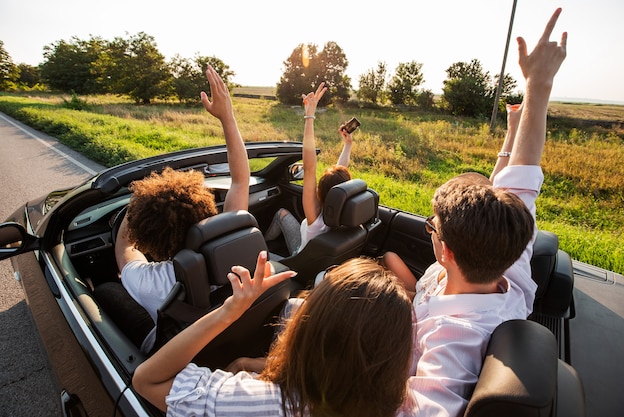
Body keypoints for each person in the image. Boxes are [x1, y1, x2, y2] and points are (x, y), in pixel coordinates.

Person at [381, 8, 567, 416]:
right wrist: (536, 89)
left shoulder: (452, 341)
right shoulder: (510, 266)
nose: (429, 229)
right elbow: (521, 178)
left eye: (432, 225)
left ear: (445, 251)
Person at [132, 254, 417, 417]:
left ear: (312, 336)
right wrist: (250, 363)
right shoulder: (403, 402)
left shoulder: (262, 401)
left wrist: (229, 312)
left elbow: (147, 380)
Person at [114, 65, 250, 354]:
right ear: (207, 211)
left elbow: (125, 248)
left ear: (148, 238)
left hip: (177, 350)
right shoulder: (239, 252)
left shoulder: (150, 281)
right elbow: (240, 180)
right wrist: (227, 116)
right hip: (233, 342)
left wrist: (133, 205)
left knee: (106, 292)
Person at [264, 82, 354, 256]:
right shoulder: (347, 214)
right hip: (321, 260)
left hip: (299, 259)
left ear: (321, 192)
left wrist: (309, 117)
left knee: (281, 214)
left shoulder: (316, 220)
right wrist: (347, 145)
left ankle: (263, 244)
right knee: (283, 213)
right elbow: (340, 170)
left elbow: (309, 166)